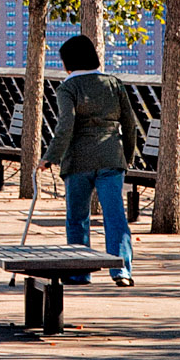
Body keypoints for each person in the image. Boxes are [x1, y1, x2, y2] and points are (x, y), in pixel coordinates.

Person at [43, 31, 138, 283]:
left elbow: (66, 126)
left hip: (78, 160)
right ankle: (121, 270)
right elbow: (130, 125)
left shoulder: (68, 88)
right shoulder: (114, 84)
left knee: (78, 217)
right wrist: (124, 158)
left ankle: (78, 271)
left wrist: (50, 157)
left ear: (69, 62)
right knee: (114, 215)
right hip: (111, 157)